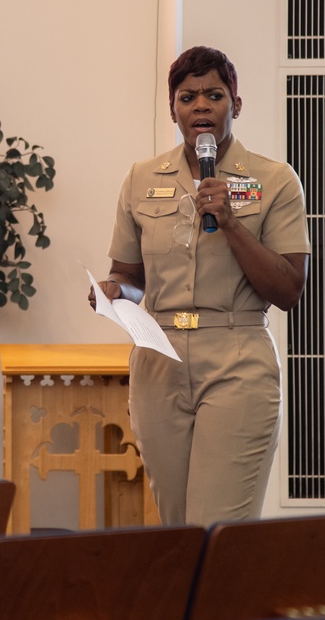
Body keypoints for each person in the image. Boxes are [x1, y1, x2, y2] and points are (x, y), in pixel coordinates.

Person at [90, 46, 311, 527]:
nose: (201, 106)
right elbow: (130, 279)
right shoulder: (141, 178)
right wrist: (112, 292)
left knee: (218, 529)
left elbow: (290, 289)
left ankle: (225, 606)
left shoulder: (274, 180)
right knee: (179, 530)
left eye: (215, 94)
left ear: (236, 103)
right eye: (188, 97)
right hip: (159, 360)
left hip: (236, 358)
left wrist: (230, 221)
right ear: (174, 108)